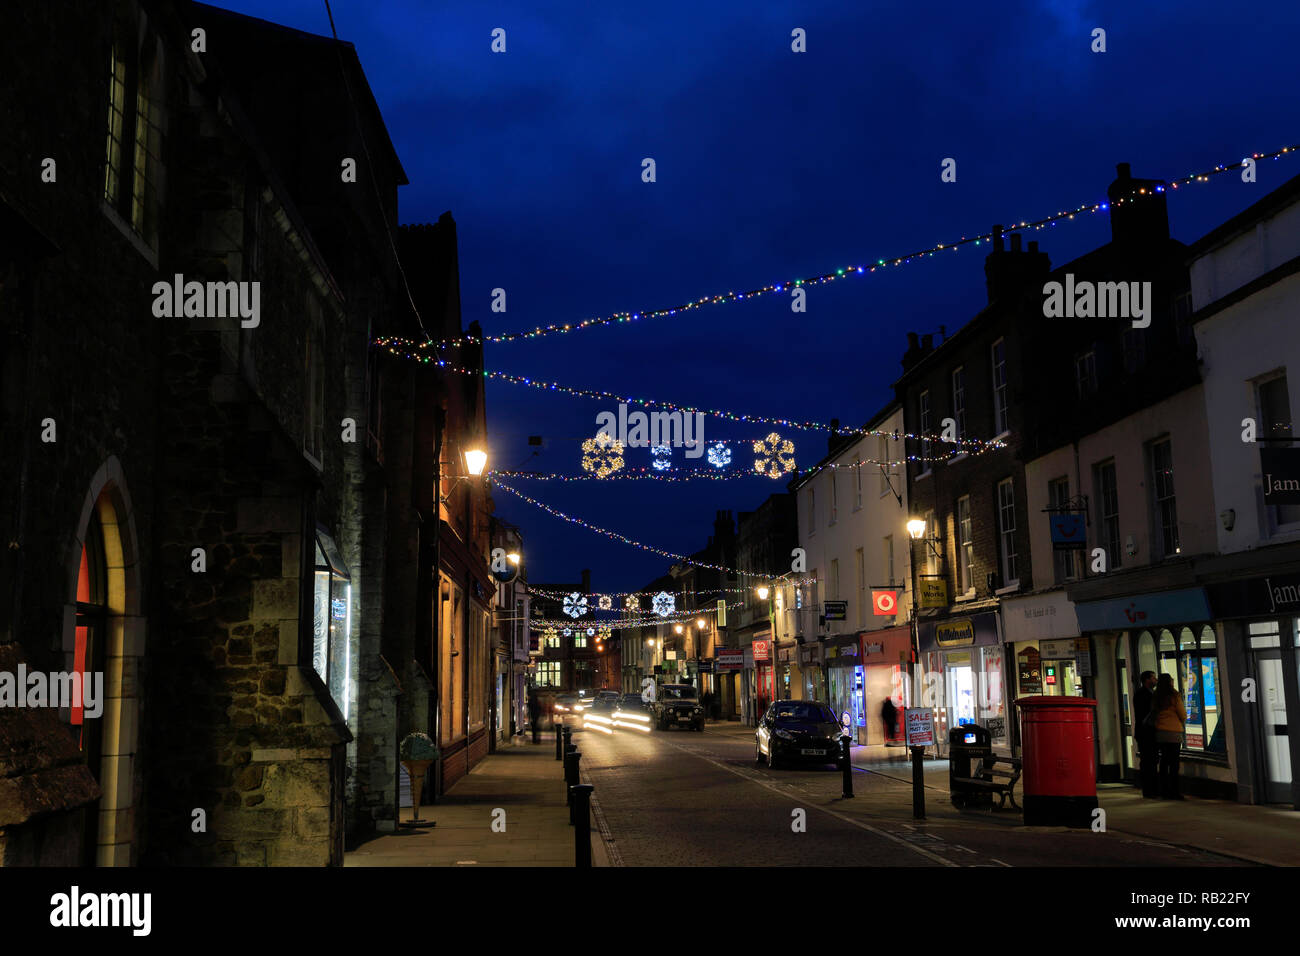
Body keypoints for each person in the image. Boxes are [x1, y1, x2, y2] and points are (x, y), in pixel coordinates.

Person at [1153, 673, 1187, 799]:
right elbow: (1182, 713)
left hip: (1160, 732)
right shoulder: (1174, 694)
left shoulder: (1156, 695)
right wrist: (1182, 719)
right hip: (1173, 733)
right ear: (1169, 682)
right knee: (1174, 763)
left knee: (1164, 762)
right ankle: (1174, 791)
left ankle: (1164, 791)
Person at [1133, 671, 1158, 798]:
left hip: (1146, 731)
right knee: (1148, 761)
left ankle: (1151, 789)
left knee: (1150, 761)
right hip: (1145, 732)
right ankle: (1149, 789)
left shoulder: (1147, 693)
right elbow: (1146, 713)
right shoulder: (1143, 694)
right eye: (1154, 677)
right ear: (1147, 680)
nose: (1156, 679)